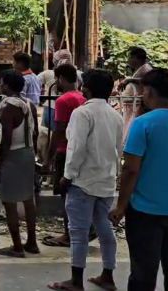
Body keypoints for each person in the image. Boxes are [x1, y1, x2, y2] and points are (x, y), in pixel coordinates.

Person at [111, 68, 168, 291]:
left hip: (145, 210)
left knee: (143, 272)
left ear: (149, 91)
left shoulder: (143, 123)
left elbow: (131, 170)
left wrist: (121, 206)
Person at [47, 69, 123, 291]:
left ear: (86, 88)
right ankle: (108, 274)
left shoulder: (82, 113)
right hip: (105, 180)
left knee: (78, 232)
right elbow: (118, 150)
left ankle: (76, 280)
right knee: (104, 229)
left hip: (83, 180)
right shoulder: (115, 116)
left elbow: (76, 148)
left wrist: (67, 176)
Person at [0, 70, 39, 258]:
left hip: (13, 154)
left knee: (10, 201)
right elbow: (35, 133)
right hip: (27, 152)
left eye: (2, 83)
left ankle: (17, 246)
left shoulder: (9, 106)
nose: (0, 85)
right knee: (29, 199)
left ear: (7, 86)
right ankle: (32, 241)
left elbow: (6, 138)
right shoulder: (29, 104)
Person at [45, 64, 86, 248]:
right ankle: (76, 230)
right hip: (81, 151)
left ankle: (69, 234)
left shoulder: (63, 101)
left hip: (65, 150)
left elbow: (59, 130)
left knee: (65, 196)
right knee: (76, 194)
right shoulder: (83, 98)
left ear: (61, 78)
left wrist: (49, 155)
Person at [119, 47, 153, 141]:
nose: (128, 60)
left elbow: (148, 81)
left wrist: (129, 79)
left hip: (138, 106)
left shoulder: (147, 69)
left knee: (132, 130)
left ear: (136, 58)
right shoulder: (140, 69)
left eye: (130, 57)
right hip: (131, 105)